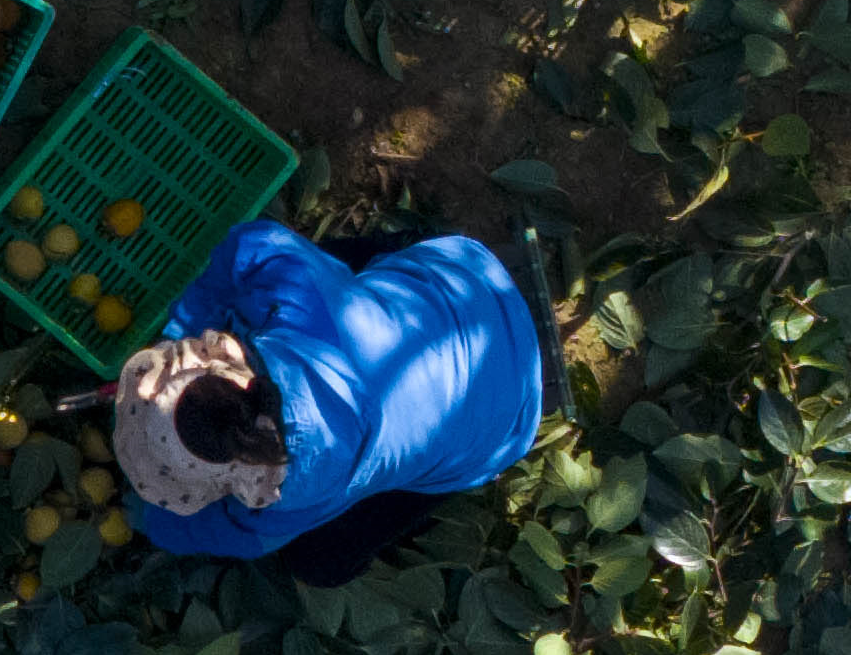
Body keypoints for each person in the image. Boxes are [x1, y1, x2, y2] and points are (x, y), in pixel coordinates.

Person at [110, 206, 551, 583]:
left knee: (320, 563)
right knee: (332, 270)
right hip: (470, 284)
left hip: (505, 424)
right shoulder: (301, 302)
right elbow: (254, 242)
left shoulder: (294, 497)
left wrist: (150, 519)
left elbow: (230, 535)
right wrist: (183, 328)